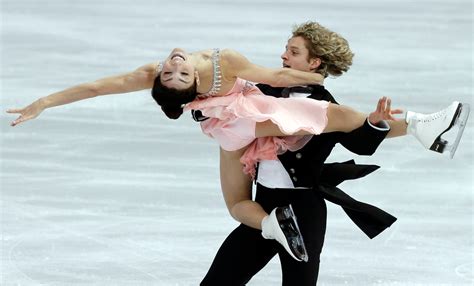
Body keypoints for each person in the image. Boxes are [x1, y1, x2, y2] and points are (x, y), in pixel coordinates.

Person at [6, 46, 398, 261]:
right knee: (338, 116)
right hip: (244, 120)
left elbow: (95, 89)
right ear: (194, 84)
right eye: (175, 75)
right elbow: (276, 78)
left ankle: (271, 225)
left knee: (236, 204)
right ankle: (418, 125)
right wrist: (317, 76)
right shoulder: (221, 64)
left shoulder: (160, 73)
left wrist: (44, 101)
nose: (174, 67)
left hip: (229, 132)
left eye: (172, 74)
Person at [199, 21, 470, 285]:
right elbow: (233, 101)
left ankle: (426, 127)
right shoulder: (268, 91)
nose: (284, 55)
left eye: (294, 52)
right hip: (264, 209)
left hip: (303, 213)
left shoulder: (325, 107)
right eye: (286, 49)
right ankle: (422, 127)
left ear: (314, 62)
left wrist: (374, 122)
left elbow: (359, 143)